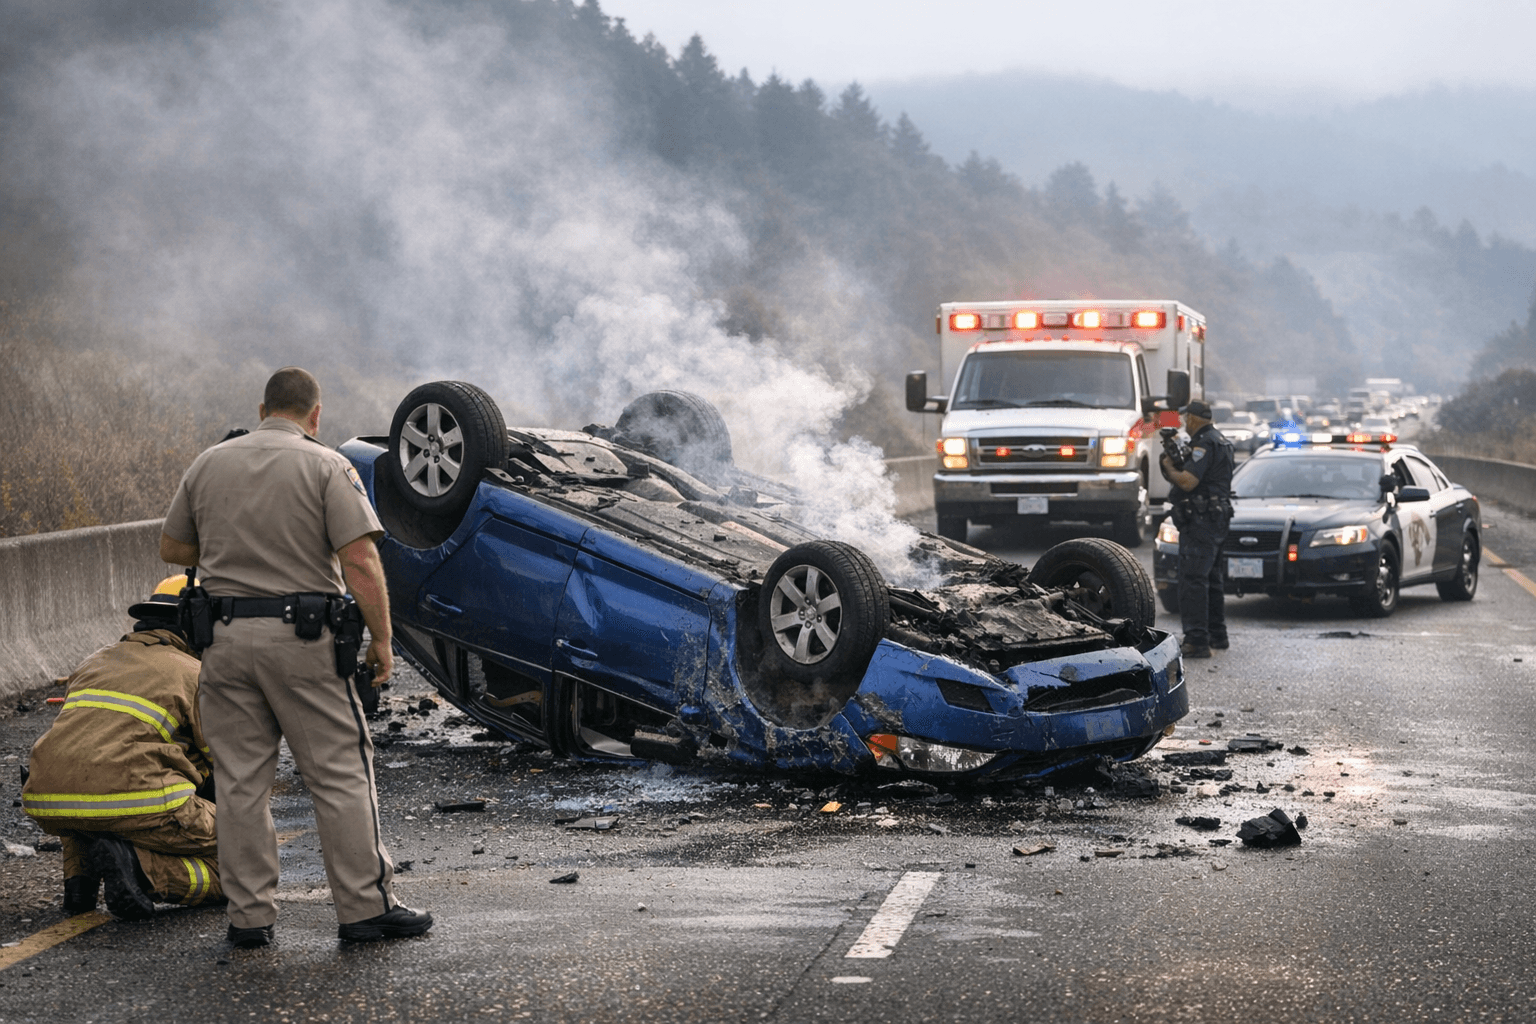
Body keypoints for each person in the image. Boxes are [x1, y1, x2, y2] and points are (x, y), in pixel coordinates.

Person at [158, 367, 430, 948]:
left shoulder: (209, 462)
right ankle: (364, 908)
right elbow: (359, 559)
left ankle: (249, 917)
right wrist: (381, 640)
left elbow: (173, 548)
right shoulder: (327, 465)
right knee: (339, 775)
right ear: (315, 415)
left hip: (225, 645)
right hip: (304, 644)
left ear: (261, 410)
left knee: (238, 784)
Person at [22, 575, 221, 919]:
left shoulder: (92, 662)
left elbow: (83, 750)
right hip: (132, 803)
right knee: (248, 858)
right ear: (196, 624)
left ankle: (79, 884)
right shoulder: (196, 673)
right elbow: (228, 761)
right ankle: (143, 870)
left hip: (49, 799)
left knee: (86, 774)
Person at [1159, 399, 1236, 658]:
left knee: (1193, 580)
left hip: (1201, 521)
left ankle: (1197, 641)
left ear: (1192, 419)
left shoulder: (1203, 443)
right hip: (1217, 518)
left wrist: (1170, 468)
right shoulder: (1221, 440)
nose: (1183, 423)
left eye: (1185, 419)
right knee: (1212, 580)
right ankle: (1217, 636)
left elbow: (1189, 482)